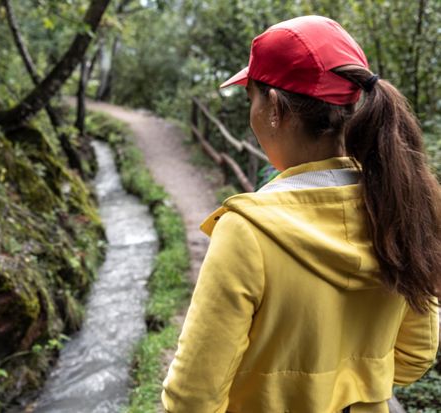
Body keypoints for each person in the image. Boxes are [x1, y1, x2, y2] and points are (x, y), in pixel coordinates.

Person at [161, 15, 440, 413]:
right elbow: (414, 356)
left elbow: (190, 398)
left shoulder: (247, 232)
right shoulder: (402, 205)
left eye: (251, 98)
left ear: (274, 107)